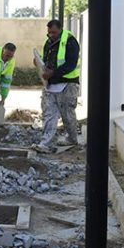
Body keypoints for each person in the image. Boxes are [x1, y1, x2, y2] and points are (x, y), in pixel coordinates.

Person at [33, 20, 81, 153]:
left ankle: (72, 138)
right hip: (51, 84)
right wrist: (39, 64)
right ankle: (45, 143)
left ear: (60, 29)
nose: (51, 35)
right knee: (49, 113)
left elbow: (71, 64)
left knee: (67, 113)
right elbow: (48, 60)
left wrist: (52, 73)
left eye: (53, 32)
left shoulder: (71, 42)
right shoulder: (48, 42)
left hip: (68, 83)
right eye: (49, 32)